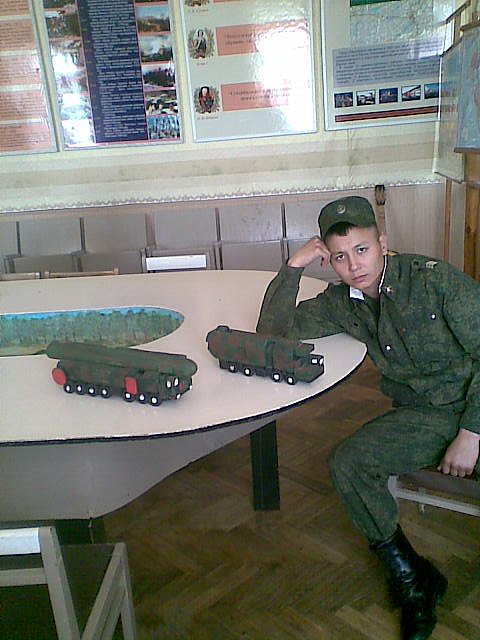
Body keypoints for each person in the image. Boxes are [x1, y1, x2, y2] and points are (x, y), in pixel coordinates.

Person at [256, 195, 480, 640]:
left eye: (362, 249)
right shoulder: (342, 303)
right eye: (339, 256)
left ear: (383, 243)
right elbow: (273, 332)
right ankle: (414, 579)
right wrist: (294, 266)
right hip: (422, 417)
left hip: (473, 404)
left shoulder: (434, 282)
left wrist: (472, 432)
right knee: (348, 462)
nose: (354, 265)